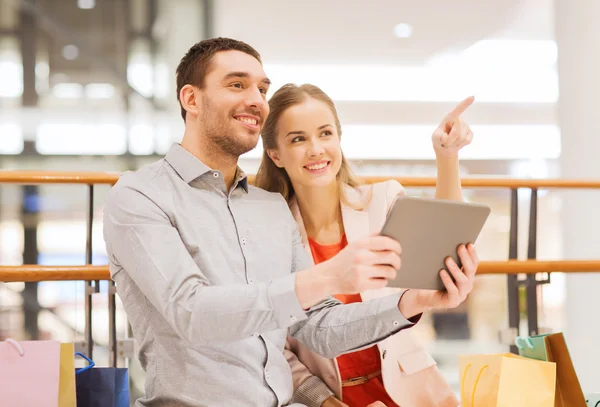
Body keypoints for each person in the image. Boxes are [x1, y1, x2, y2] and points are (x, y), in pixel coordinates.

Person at [102, 37, 479, 407]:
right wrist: (329, 276)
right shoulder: (139, 196)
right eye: (237, 84)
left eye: (262, 88)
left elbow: (316, 327)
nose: (256, 99)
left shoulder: (269, 208)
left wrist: (415, 300)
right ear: (191, 99)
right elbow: (191, 311)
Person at [255, 83, 476, 407]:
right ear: (275, 154)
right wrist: (325, 402)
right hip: (329, 399)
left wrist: (447, 157)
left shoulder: (381, 201)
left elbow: (443, 255)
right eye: (298, 139)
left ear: (339, 139)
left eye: (325, 133)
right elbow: (275, 348)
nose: (316, 149)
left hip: (409, 391)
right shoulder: (267, 235)